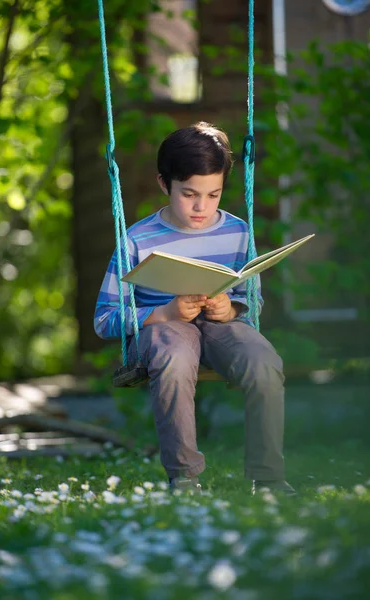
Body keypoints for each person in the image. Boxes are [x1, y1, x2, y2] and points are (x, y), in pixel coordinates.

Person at [94, 121, 296, 497]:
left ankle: (268, 478)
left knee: (264, 362)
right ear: (163, 184)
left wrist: (231, 308)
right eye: (189, 194)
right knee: (173, 355)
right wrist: (163, 314)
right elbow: (105, 318)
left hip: (222, 327)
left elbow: (253, 301)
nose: (202, 207)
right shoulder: (138, 238)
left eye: (214, 194)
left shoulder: (237, 233)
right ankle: (184, 478)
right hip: (164, 331)